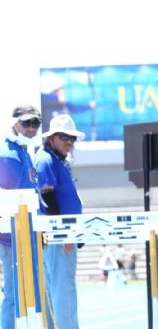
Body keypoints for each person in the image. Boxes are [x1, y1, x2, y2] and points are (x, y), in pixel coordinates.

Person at [33, 114, 85, 328]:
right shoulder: (45, 159)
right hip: (58, 237)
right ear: (52, 137)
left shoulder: (56, 160)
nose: (69, 142)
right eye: (64, 137)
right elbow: (48, 198)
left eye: (72, 138)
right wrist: (64, 234)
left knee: (59, 290)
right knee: (63, 291)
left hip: (62, 235)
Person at [0, 105, 42, 329]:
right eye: (27, 123)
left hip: (27, 232)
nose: (32, 128)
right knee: (13, 295)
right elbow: (7, 203)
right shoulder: (8, 155)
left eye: (36, 123)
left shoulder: (23, 151)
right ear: (15, 123)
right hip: (13, 237)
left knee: (30, 292)